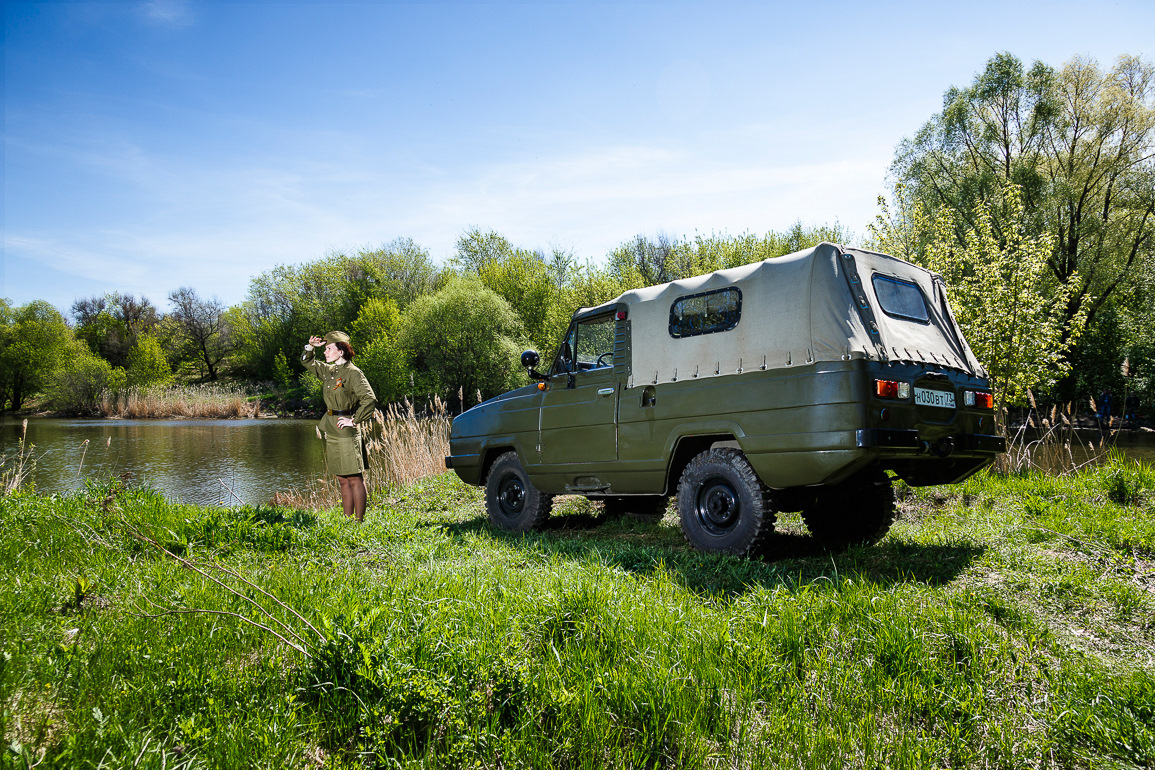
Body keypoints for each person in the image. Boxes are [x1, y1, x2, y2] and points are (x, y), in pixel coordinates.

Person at [303, 332, 377, 521]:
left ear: (341, 351)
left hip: (347, 431)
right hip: (332, 429)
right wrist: (310, 347)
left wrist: (354, 420)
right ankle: (346, 520)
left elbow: (369, 399)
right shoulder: (330, 371)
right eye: (325, 349)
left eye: (329, 349)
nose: (325, 352)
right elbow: (307, 362)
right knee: (342, 478)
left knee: (354, 478)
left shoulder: (353, 373)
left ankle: (358, 522)